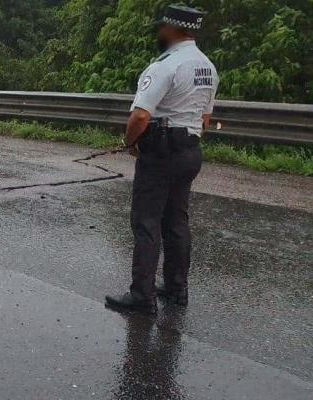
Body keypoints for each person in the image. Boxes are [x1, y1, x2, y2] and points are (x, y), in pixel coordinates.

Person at [105, 4, 219, 315]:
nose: (159, 32)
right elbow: (205, 119)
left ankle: (142, 297)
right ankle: (176, 289)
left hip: (161, 151)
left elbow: (141, 116)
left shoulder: (164, 66)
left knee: (146, 221)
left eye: (161, 27)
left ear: (171, 29)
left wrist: (131, 142)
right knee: (176, 221)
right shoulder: (207, 67)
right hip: (190, 150)